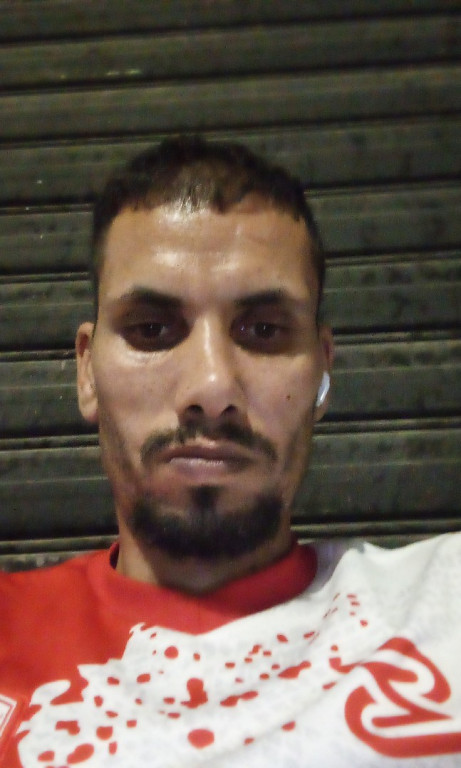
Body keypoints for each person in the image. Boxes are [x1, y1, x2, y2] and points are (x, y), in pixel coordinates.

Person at [1, 136, 460, 768]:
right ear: (87, 372)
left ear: (323, 369)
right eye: (151, 330)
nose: (212, 388)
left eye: (264, 331)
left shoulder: (445, 601)